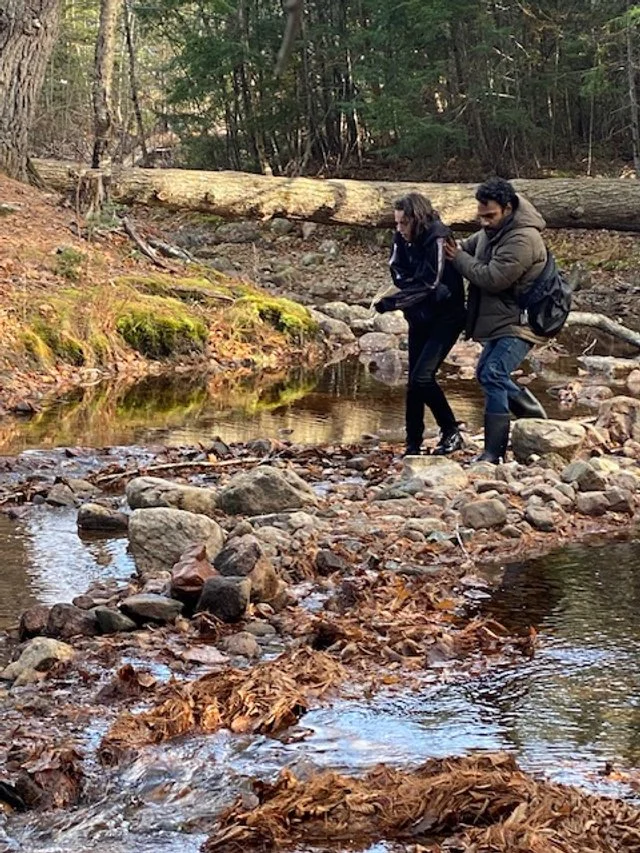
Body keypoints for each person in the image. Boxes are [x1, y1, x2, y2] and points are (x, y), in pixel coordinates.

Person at [444, 177, 548, 464]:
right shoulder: (493, 231)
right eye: (481, 216)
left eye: (490, 216)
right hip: (505, 320)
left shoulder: (523, 239)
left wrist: (457, 259)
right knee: (488, 374)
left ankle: (493, 453)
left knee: (492, 373)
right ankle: (537, 420)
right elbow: (469, 246)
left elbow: (493, 278)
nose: (485, 222)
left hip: (524, 323)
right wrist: (448, 246)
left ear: (508, 208)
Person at [375, 192, 466, 456]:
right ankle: (412, 443)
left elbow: (430, 282)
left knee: (422, 377)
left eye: (403, 223)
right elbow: (397, 270)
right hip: (419, 315)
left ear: (417, 218)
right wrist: (406, 294)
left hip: (446, 317)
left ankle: (451, 431)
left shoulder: (437, 235)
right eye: (396, 223)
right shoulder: (401, 238)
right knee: (413, 383)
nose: (399, 229)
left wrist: (393, 302)